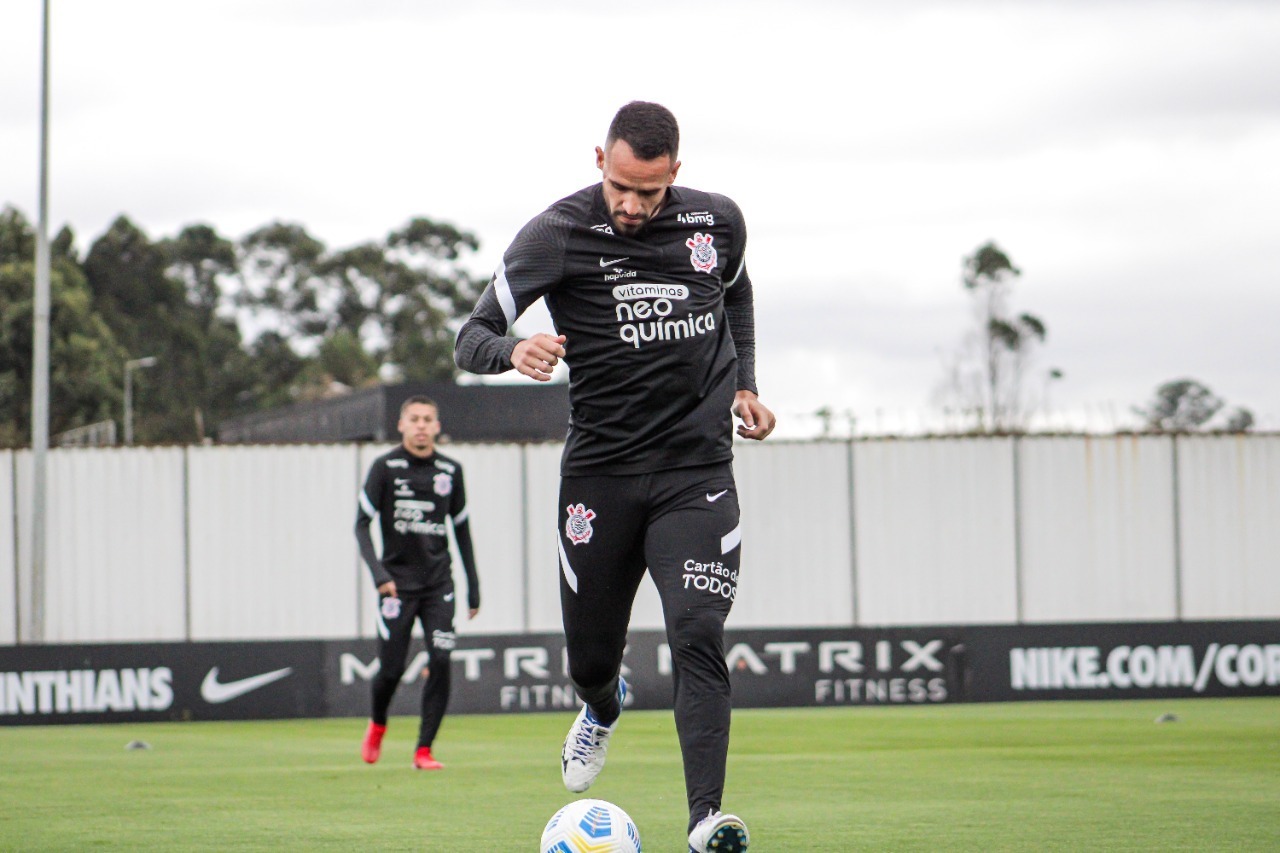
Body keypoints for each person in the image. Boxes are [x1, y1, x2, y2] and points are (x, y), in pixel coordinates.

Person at [454, 101, 773, 852]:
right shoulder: (556, 233)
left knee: (697, 629)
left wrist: (747, 385)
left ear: (676, 175)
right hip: (600, 477)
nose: (633, 205)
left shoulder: (717, 223)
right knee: (592, 658)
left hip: (696, 473)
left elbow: (737, 292)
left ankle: (704, 820)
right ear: (600, 159)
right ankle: (600, 710)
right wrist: (513, 352)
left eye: (650, 191)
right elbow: (469, 337)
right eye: (622, 186)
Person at [355, 395, 480, 771]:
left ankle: (423, 750)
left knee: (441, 659)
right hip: (396, 585)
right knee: (390, 669)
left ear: (437, 426)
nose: (422, 425)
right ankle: (378, 723)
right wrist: (379, 575)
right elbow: (361, 525)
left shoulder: (450, 471)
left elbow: (462, 532)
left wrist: (474, 587)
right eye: (415, 419)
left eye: (428, 419)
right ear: (402, 425)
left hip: (439, 584)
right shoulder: (385, 467)